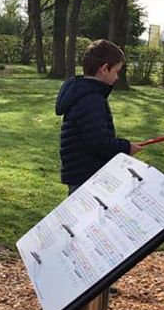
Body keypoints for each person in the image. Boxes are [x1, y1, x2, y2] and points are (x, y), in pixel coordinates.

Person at [56, 38, 142, 194]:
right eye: (116, 71)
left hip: (81, 174)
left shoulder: (83, 93)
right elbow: (98, 143)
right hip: (87, 177)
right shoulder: (92, 99)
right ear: (104, 69)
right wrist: (126, 147)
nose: (117, 78)